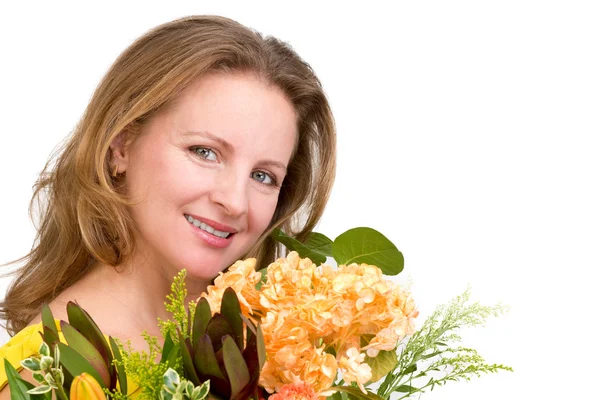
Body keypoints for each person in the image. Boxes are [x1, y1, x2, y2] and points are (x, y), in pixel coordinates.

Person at [0, 15, 336, 396]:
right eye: (204, 152)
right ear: (121, 145)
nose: (234, 202)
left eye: (263, 176)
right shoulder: (47, 375)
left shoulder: (281, 349)